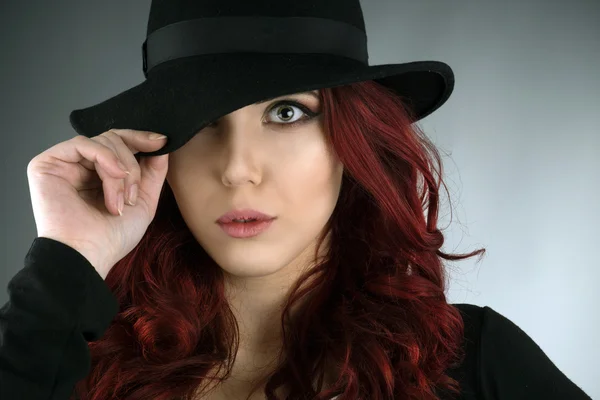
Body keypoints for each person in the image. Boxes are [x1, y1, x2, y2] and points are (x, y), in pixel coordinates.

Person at [0, 1, 592, 399]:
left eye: (287, 113)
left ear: (351, 140)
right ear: (158, 148)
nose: (237, 169)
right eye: (202, 119)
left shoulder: (472, 368)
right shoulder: (66, 362)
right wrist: (66, 257)